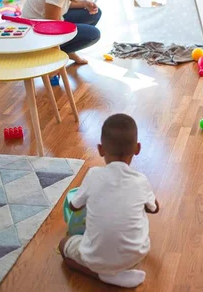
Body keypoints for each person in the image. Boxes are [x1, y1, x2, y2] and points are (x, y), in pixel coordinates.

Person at [58, 114, 159, 288]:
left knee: (63, 244)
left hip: (95, 257)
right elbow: (154, 209)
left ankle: (101, 275)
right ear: (137, 148)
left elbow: (74, 206)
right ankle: (119, 271)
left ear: (100, 149)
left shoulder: (93, 175)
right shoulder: (141, 180)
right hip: (136, 254)